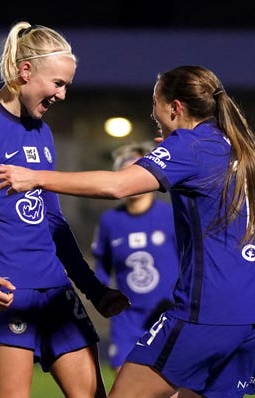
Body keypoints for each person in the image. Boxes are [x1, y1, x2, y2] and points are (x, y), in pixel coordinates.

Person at [0, 65, 255, 397]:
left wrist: (36, 177)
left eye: (155, 102)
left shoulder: (189, 147)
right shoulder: (228, 144)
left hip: (207, 313)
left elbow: (117, 186)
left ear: (175, 108)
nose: (152, 112)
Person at [0, 21, 130, 398]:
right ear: (25, 72)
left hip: (56, 291)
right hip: (9, 293)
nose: (62, 95)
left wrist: (93, 290)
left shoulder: (42, 132)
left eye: (67, 86)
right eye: (57, 84)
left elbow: (54, 222)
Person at [92, 142, 179, 375]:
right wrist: (100, 296)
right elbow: (101, 267)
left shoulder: (170, 216)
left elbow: (190, 260)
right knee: (125, 386)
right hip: (126, 319)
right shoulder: (110, 221)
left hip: (166, 316)